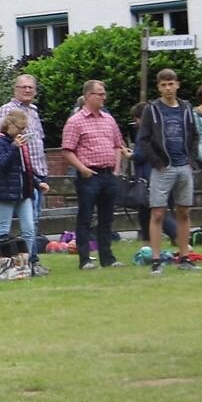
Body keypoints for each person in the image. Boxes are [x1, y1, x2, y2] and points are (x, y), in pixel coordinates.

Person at [136, 69, 202, 274]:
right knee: (157, 212)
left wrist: (191, 159)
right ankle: (156, 260)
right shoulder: (152, 110)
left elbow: (194, 136)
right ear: (158, 87)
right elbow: (143, 139)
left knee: (184, 211)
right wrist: (156, 161)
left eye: (171, 84)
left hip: (183, 165)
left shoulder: (186, 108)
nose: (168, 89)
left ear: (178, 84)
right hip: (163, 167)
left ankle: (184, 256)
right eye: (164, 85)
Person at [60, 80, 131, 270]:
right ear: (88, 96)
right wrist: (82, 169)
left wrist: (116, 169)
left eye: (104, 93)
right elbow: (67, 150)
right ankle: (84, 259)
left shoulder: (109, 119)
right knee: (85, 217)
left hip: (109, 174)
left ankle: (107, 258)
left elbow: (118, 144)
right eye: (100, 93)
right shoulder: (75, 121)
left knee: (107, 218)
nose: (104, 97)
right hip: (89, 175)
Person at [0, 74, 50, 275]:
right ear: (15, 89)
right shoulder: (7, 111)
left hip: (32, 174)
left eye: (31, 88)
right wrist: (14, 146)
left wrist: (39, 177)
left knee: (32, 223)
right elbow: (3, 148)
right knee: (5, 227)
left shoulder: (34, 111)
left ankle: (30, 263)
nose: (27, 90)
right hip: (11, 181)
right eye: (23, 87)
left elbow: (37, 142)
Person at [0, 111, 49, 278]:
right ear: (10, 125)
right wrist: (13, 147)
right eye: (19, 128)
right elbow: (1, 165)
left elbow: (23, 169)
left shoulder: (19, 142)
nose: (22, 131)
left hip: (23, 192)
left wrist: (36, 182)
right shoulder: (0, 141)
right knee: (2, 229)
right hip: (6, 192)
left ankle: (24, 265)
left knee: (29, 228)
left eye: (24, 128)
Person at [130, 102, 176, 244]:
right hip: (163, 173)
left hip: (148, 176)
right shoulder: (161, 129)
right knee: (145, 211)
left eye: (136, 118)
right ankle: (147, 241)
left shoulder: (144, 132)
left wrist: (129, 155)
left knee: (156, 210)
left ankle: (177, 235)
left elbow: (141, 155)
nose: (136, 122)